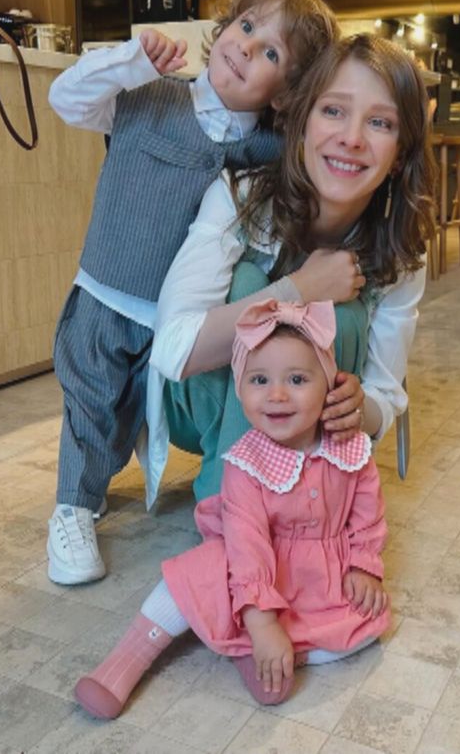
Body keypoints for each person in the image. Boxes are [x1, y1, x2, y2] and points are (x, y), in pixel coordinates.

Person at [46, 0, 341, 586]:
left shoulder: (268, 147)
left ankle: (196, 487)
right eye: (246, 27)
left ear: (286, 91)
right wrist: (129, 62)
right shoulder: (149, 93)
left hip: (177, 321)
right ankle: (72, 506)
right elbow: (66, 100)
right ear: (224, 26)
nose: (246, 48)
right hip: (105, 295)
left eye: (271, 53)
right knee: (91, 406)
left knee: (133, 414)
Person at [150, 32, 437, 500]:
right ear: (302, 122)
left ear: (400, 152)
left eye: (379, 123)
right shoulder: (240, 197)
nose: (351, 139)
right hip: (195, 404)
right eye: (333, 111)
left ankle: (275, 505)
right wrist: (299, 289)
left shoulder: (401, 249)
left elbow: (384, 399)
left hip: (307, 421)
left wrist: (359, 407)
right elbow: (172, 350)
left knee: (344, 314)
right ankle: (231, 509)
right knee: (249, 282)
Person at [74, 299, 390, 720]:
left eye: (297, 379)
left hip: (319, 574)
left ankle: (265, 652)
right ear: (240, 390)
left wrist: (362, 565)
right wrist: (263, 623)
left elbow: (367, 513)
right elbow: (247, 547)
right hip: (251, 567)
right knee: (195, 575)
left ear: (329, 386)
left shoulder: (350, 449)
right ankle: (129, 656)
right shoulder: (245, 465)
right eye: (259, 379)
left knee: (365, 629)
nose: (277, 394)